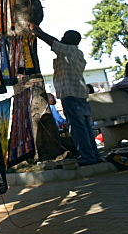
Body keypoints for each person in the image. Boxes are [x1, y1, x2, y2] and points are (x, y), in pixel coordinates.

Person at [31, 25, 99, 165]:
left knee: (77, 128)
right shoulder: (76, 52)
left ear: (69, 40)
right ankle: (94, 155)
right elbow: (57, 43)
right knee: (85, 127)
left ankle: (87, 157)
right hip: (80, 94)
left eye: (64, 37)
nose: (61, 39)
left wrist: (38, 32)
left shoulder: (66, 51)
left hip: (71, 95)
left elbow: (51, 41)